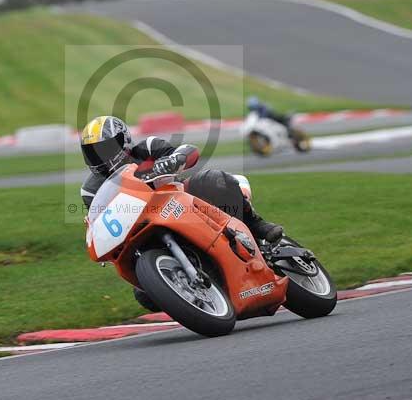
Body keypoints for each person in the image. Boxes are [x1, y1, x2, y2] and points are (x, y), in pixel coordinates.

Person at [79, 115, 285, 312]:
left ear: (124, 141)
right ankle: (195, 296)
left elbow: (188, 152)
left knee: (212, 179)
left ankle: (256, 225)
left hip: (179, 200)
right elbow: (98, 218)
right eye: (93, 152)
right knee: (144, 294)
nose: (100, 156)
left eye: (105, 148)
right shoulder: (90, 189)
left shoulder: (147, 147)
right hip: (140, 225)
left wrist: (172, 160)